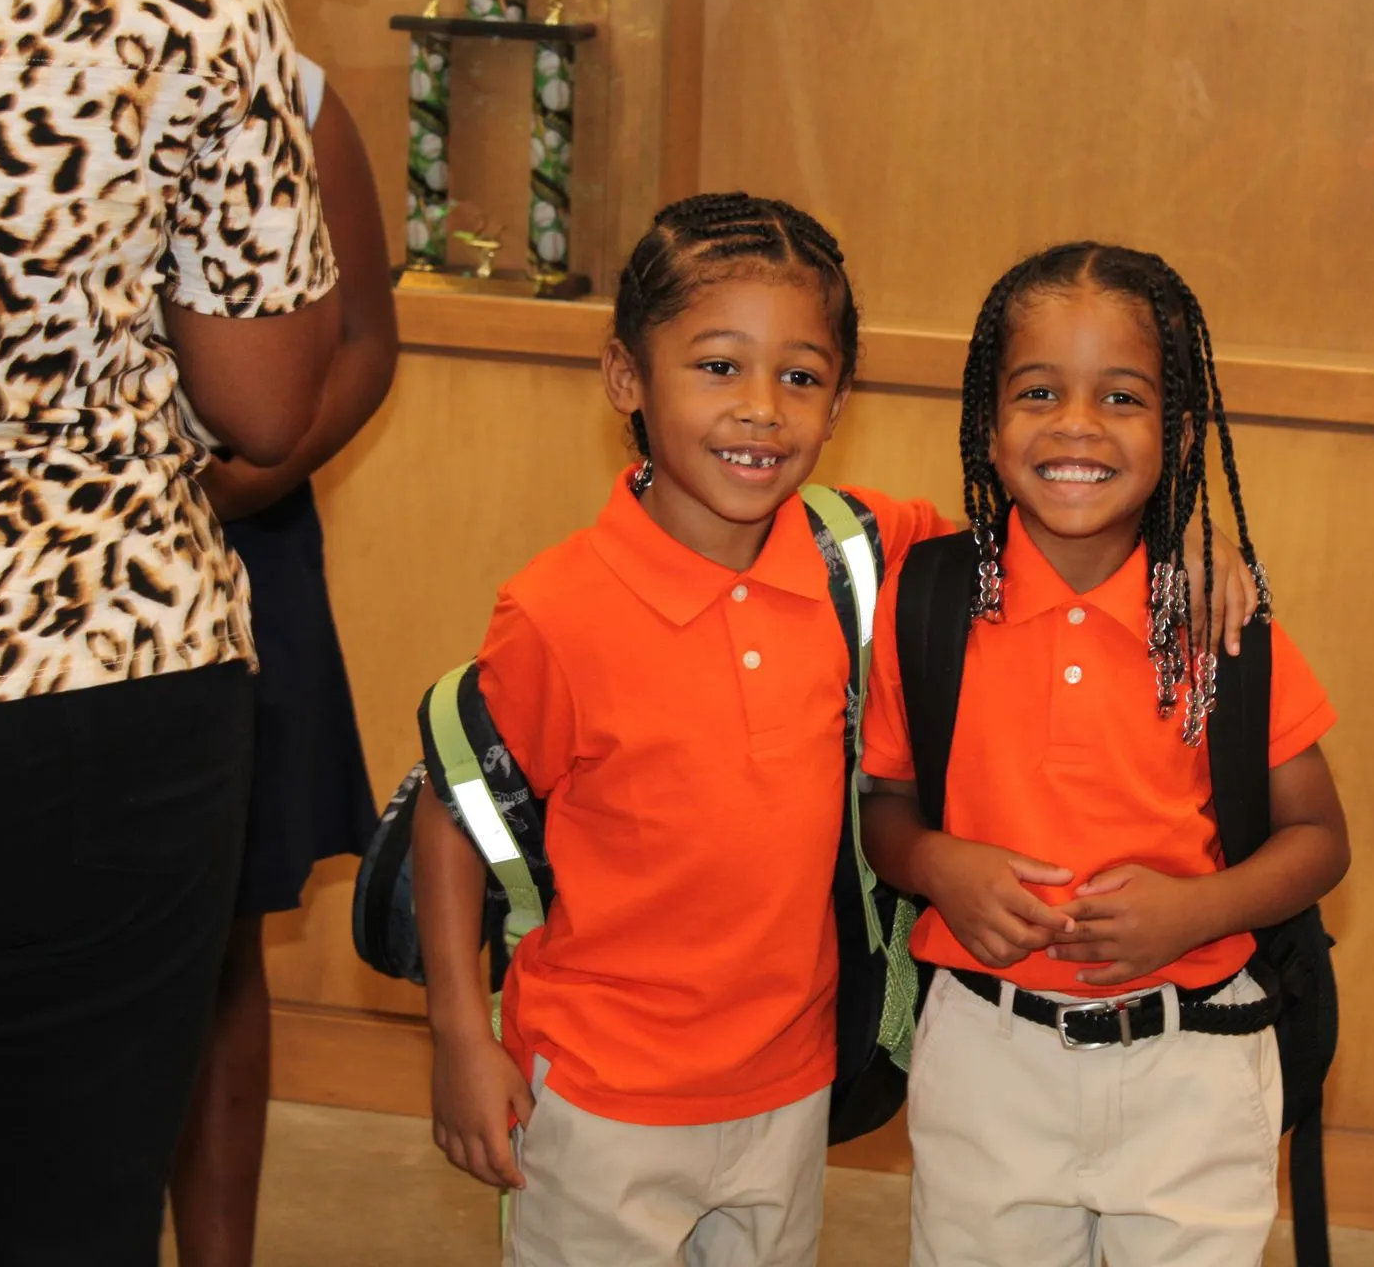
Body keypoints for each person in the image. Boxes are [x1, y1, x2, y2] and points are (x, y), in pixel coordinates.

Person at [411, 195, 1260, 1267]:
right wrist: (457, 1033)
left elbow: (1056, 518)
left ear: (841, 397)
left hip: (789, 1084)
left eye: (801, 376)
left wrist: (1181, 547)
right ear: (626, 376)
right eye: (718, 366)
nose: (762, 409)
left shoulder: (854, 552)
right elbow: (455, 811)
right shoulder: (557, 610)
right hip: (595, 1093)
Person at [858, 242, 1352, 1267]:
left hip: (1196, 1063)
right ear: (988, 429)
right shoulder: (927, 600)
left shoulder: (1222, 623)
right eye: (1039, 391)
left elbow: (1320, 836)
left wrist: (1198, 907)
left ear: (1175, 435)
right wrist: (940, 864)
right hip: (986, 1058)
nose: (1076, 424)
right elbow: (885, 809)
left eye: (1121, 397)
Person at [0, 0, 338, 1262]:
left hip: (89, 680)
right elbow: (268, 394)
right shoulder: (181, 3)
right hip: (83, 645)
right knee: (57, 1196)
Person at [167, 56, 399, 1267]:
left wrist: (218, 489)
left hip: (233, 538)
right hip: (24, 572)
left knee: (216, 938)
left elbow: (361, 339)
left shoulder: (282, 86)